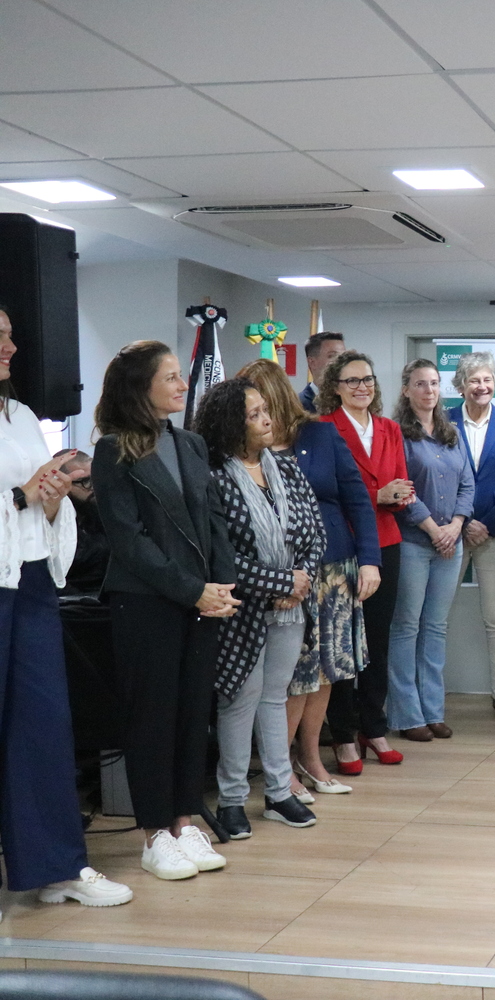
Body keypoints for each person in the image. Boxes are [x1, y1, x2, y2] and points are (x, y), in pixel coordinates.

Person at [0, 306, 133, 909]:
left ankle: (56, 867)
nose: (9, 348)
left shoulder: (23, 416)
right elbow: (14, 496)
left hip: (28, 584)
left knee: (43, 725)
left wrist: (52, 499)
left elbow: (40, 507)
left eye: (9, 335)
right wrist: (21, 495)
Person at [93, 340, 239, 880]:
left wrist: (220, 585)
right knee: (151, 718)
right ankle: (154, 833)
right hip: (147, 601)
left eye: (181, 375)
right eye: (171, 377)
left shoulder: (192, 443)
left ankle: (183, 821)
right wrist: (191, 589)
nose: (182, 385)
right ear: (142, 387)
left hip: (201, 600)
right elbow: (130, 544)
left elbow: (215, 520)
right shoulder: (114, 451)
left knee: (190, 714)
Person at [238, 360, 379, 787]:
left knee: (325, 671)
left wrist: (370, 559)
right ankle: (281, 768)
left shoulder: (319, 433)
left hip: (334, 568)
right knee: (292, 675)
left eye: (262, 400)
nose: (258, 411)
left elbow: (357, 498)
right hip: (277, 577)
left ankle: (311, 758)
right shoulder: (238, 448)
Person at [196, 378, 325, 837]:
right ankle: (231, 800)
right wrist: (279, 582)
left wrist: (299, 581)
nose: (266, 419)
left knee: (275, 698)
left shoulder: (285, 467)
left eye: (265, 410)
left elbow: (315, 531)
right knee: (239, 701)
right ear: (232, 424)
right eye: (253, 414)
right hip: (241, 609)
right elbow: (222, 555)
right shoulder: (213, 475)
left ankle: (278, 793)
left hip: (290, 606)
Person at [319, 351, 413, 768]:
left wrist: (396, 495)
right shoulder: (323, 429)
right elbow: (324, 495)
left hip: (387, 542)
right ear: (335, 388)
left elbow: (400, 483)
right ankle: (342, 734)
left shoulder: (390, 428)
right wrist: (375, 496)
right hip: (342, 546)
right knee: (342, 643)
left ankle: (373, 727)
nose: (363, 387)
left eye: (368, 379)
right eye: (353, 380)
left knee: (377, 639)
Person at [388, 359, 474, 741]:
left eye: (435, 383)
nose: (429, 390)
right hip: (413, 543)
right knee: (406, 627)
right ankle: (407, 715)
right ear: (406, 390)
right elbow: (402, 488)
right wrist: (433, 528)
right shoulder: (396, 435)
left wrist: (455, 526)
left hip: (449, 544)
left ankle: (433, 710)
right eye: (420, 384)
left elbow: (468, 485)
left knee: (436, 628)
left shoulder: (450, 432)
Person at [446, 352, 495, 721]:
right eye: (474, 380)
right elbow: (436, 483)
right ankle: (429, 697)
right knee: (436, 618)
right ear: (461, 385)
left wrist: (485, 524)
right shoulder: (441, 423)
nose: (482, 387)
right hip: (450, 533)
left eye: (488, 380)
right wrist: (463, 523)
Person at [55, 450, 109, 597]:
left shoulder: (104, 514)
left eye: (96, 478)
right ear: (61, 485)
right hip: (72, 606)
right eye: (85, 481)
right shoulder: (49, 524)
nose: (94, 487)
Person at [300, 331, 345, 414]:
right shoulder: (297, 405)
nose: (341, 361)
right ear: (312, 362)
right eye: (332, 356)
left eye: (343, 356)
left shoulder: (350, 402)